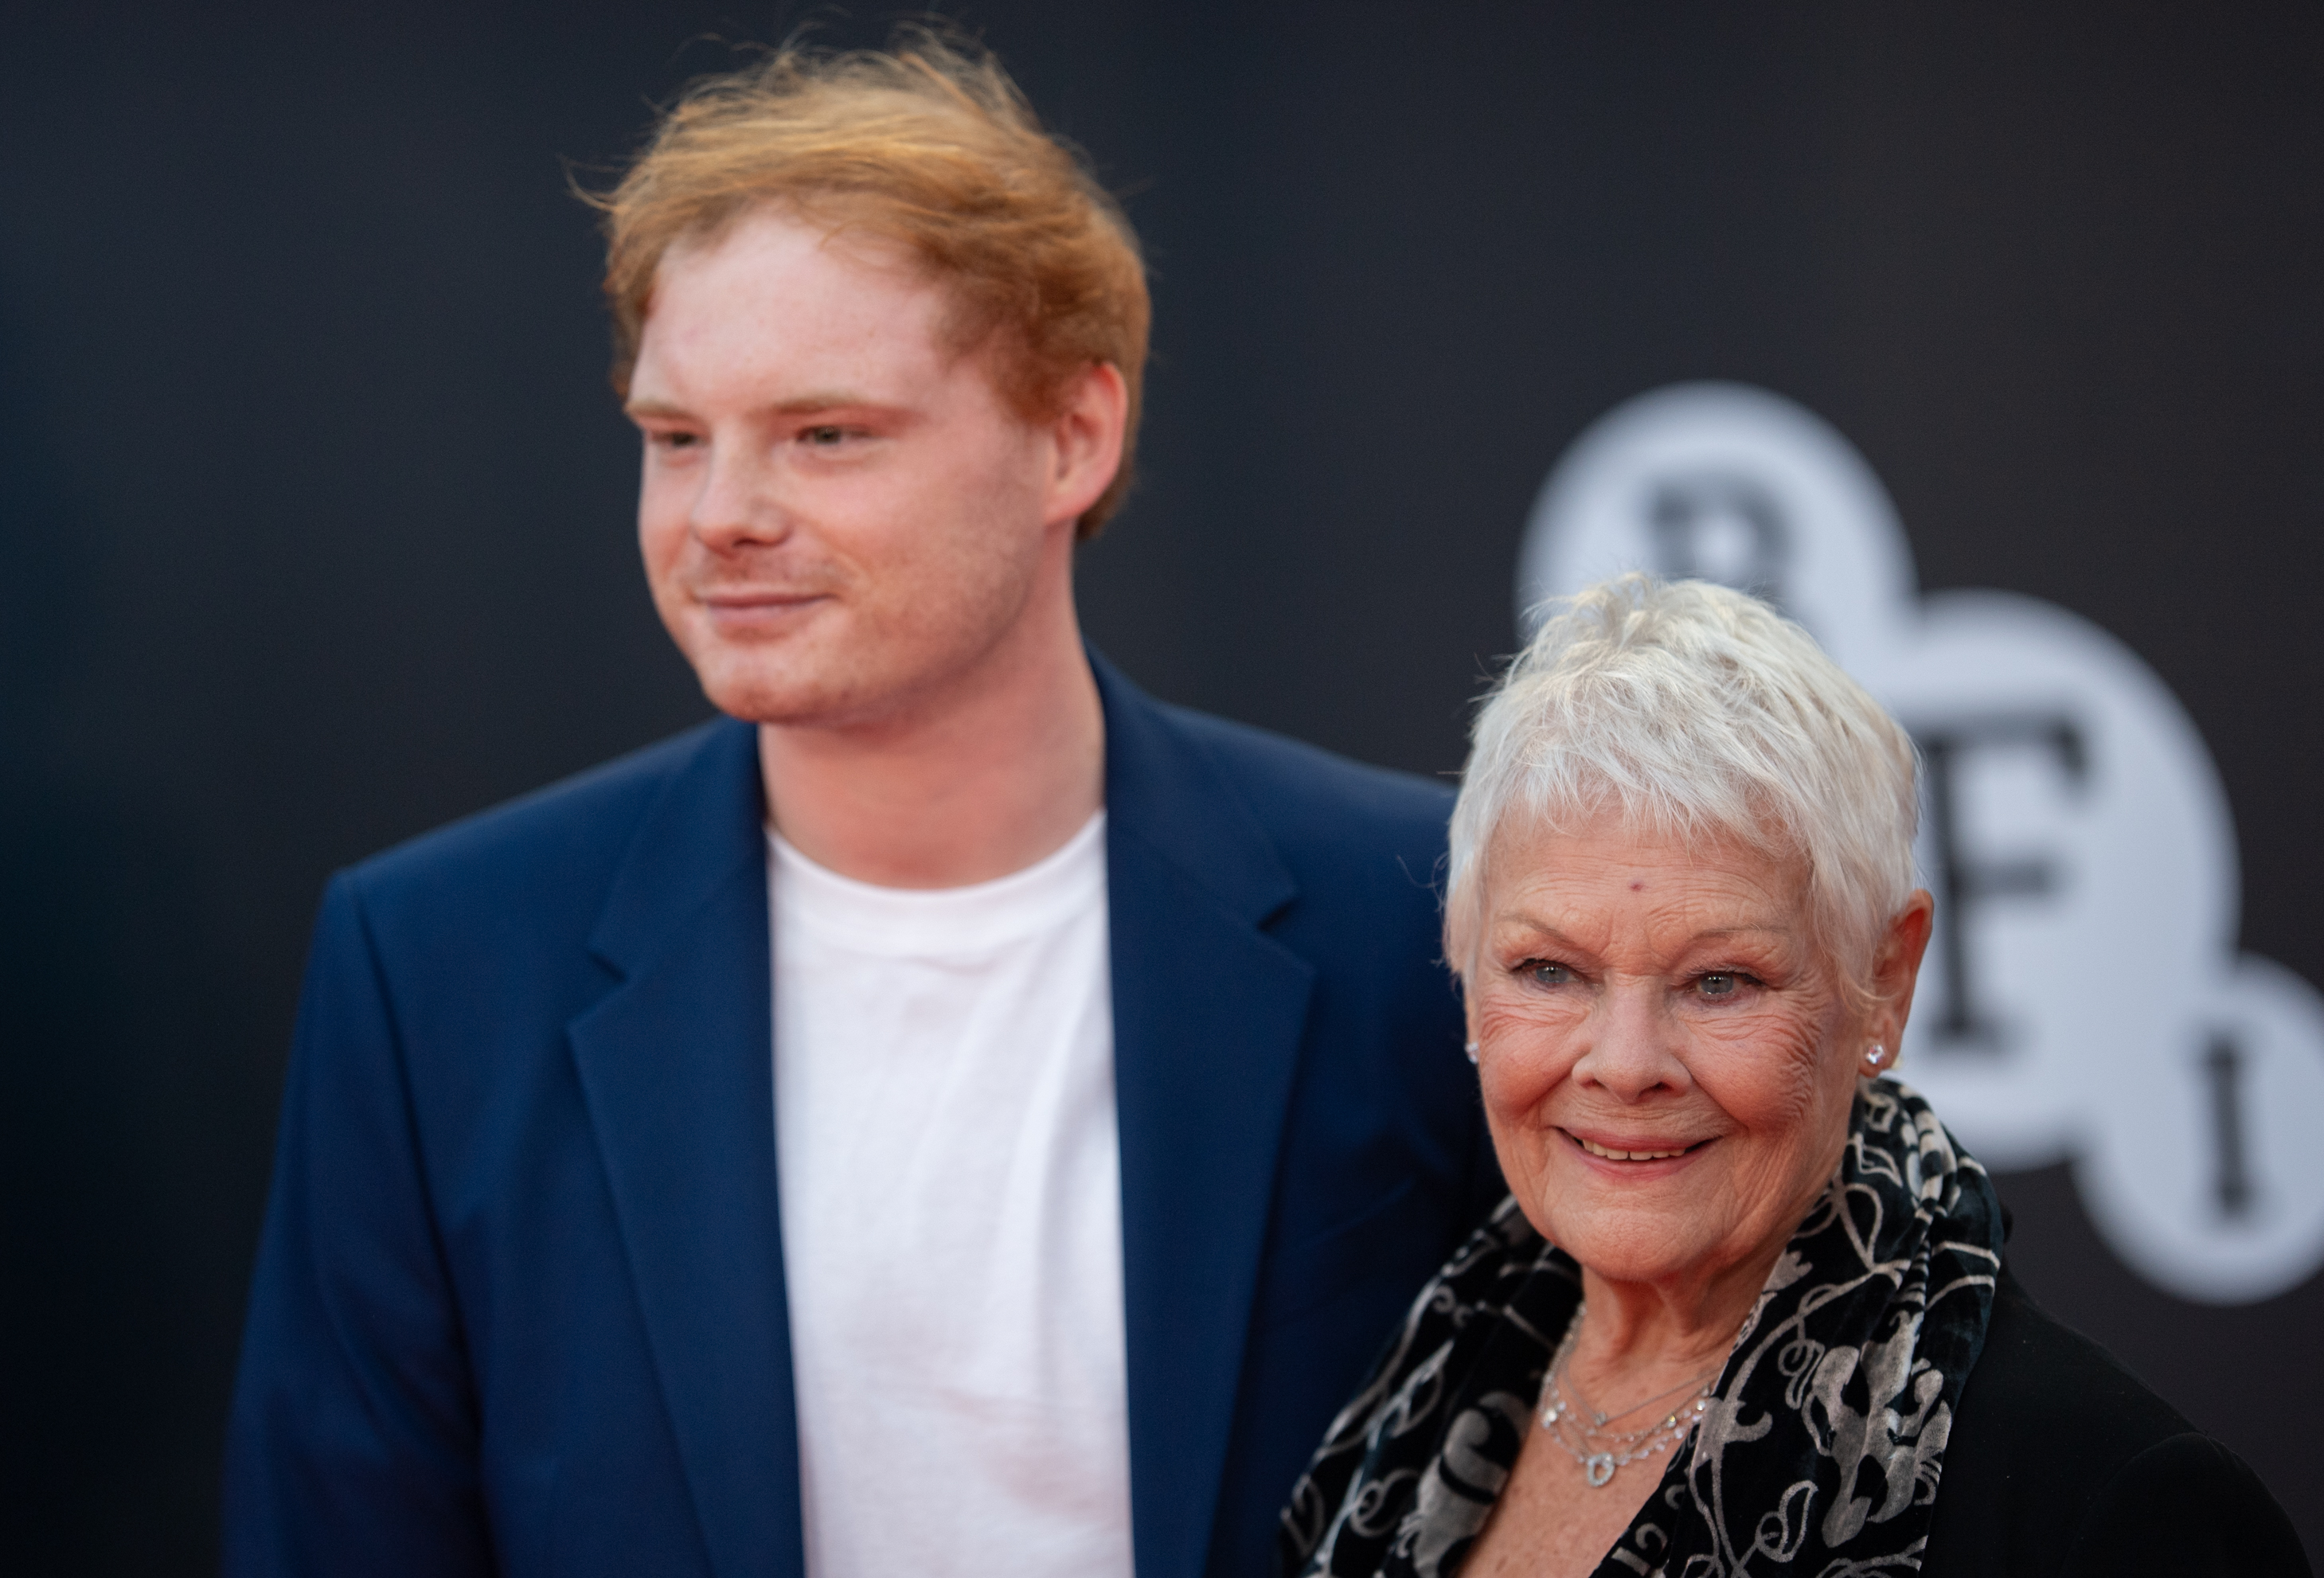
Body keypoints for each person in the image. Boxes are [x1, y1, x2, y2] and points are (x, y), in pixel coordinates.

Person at [223, 32, 1502, 1578]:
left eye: (827, 434)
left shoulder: (1414, 911)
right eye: (675, 439)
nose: (722, 519)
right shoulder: (435, 965)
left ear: (1072, 436)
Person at [1279, 574, 2310, 1578]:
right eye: (1550, 970)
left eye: (1721, 980)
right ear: (1464, 974)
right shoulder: (1409, 1385)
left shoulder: (2108, 1510)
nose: (1627, 1063)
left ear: (1884, 980)